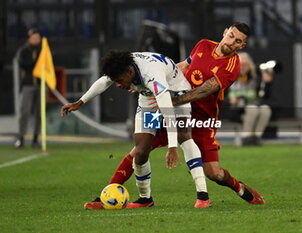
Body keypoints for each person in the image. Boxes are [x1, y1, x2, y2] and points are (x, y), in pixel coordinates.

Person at [81, 22, 265, 210]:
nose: (231, 42)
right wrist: (151, 82)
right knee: (139, 151)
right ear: (225, 32)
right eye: (231, 36)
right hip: (169, 106)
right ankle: (106, 197)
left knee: (214, 173)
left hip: (201, 118)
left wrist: (174, 101)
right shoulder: (203, 45)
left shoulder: (232, 66)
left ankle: (239, 188)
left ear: (241, 46)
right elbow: (183, 67)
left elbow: (205, 89)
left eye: (238, 41)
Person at [61, 51, 210, 208]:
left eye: (119, 81)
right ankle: (145, 199)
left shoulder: (152, 74)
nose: (118, 85)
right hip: (148, 99)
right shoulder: (122, 66)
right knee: (140, 151)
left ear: (130, 72)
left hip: (176, 94)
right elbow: (104, 82)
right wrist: (80, 102)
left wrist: (172, 147)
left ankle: (203, 196)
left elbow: (167, 110)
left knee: (184, 138)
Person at [227, 52, 274, 146]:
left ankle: (256, 138)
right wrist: (229, 100)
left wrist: (267, 84)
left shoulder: (256, 78)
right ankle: (246, 137)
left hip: (253, 107)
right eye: (241, 64)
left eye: (246, 64)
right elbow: (220, 96)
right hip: (236, 110)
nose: (244, 67)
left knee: (265, 109)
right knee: (252, 110)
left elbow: (265, 96)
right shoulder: (229, 76)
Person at [14, 28, 42, 148]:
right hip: (28, 85)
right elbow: (24, 65)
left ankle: (36, 138)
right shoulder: (23, 51)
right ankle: (21, 138)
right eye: (34, 38)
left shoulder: (43, 50)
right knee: (24, 112)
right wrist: (36, 64)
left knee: (39, 113)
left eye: (38, 38)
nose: (36, 40)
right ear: (29, 38)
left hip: (41, 85)